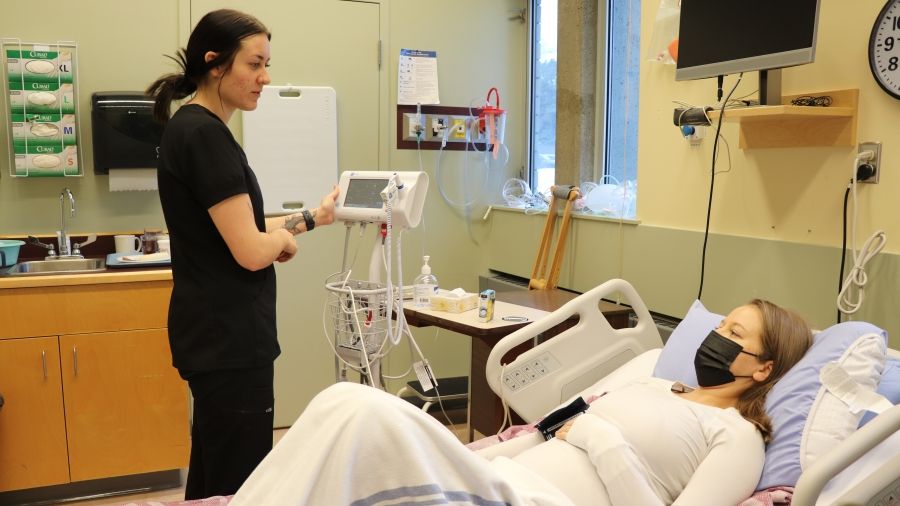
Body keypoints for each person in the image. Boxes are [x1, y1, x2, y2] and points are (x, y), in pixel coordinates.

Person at [229, 299, 812, 505]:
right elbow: (549, 429)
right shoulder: (654, 384)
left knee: (361, 409)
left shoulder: (736, 438)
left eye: (735, 335)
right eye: (723, 325)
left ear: (763, 369)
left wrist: (600, 439)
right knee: (340, 404)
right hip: (497, 483)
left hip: (541, 501)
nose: (717, 338)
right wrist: (466, 463)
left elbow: (582, 432)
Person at [145, 9, 340, 499]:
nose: (265, 77)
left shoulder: (192, 129)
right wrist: (276, 243)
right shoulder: (206, 136)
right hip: (230, 340)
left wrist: (313, 217)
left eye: (266, 64)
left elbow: (241, 232)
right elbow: (252, 250)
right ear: (215, 64)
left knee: (213, 470)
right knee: (243, 484)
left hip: (214, 337)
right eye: (254, 64)